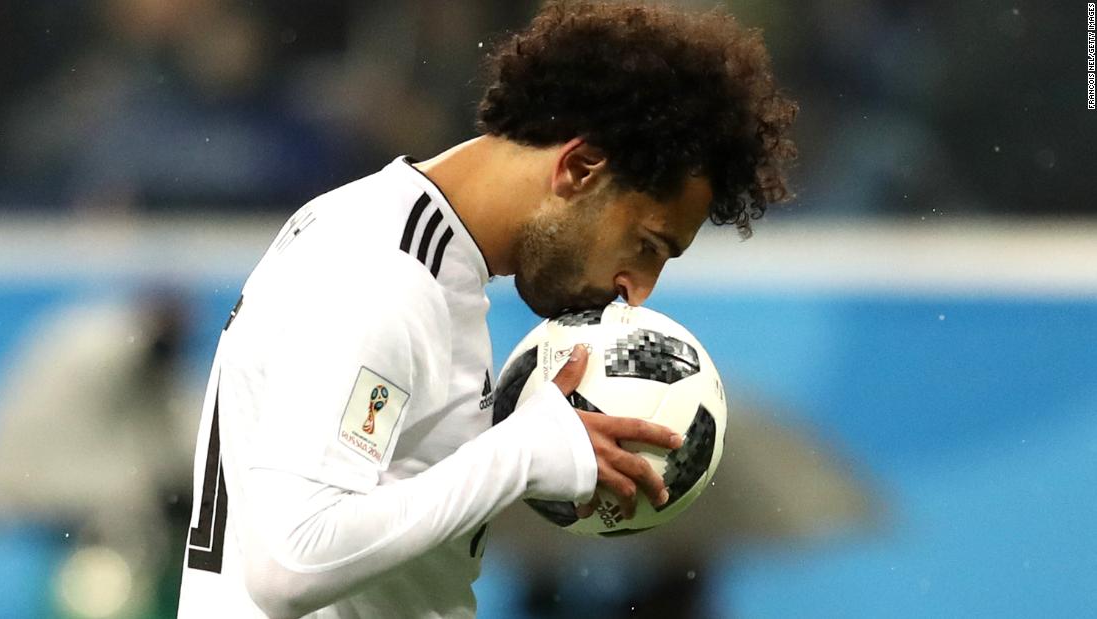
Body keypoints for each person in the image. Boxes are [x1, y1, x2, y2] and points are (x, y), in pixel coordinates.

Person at [177, 2, 797, 617]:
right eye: (648, 244)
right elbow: (289, 565)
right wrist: (524, 453)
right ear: (580, 169)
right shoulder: (383, 271)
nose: (638, 288)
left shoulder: (413, 249)